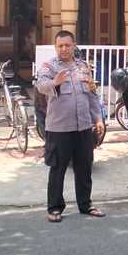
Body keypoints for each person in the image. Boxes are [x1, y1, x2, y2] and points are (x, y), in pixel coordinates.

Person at [37, 30, 106, 223]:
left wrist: (98, 119)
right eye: (60, 46)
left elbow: (92, 95)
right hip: (59, 128)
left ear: (74, 46)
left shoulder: (83, 67)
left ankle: (85, 204)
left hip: (83, 127)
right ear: (55, 47)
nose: (64, 49)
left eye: (67, 45)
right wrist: (55, 82)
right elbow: (41, 86)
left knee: (84, 167)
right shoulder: (49, 66)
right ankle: (54, 208)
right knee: (57, 170)